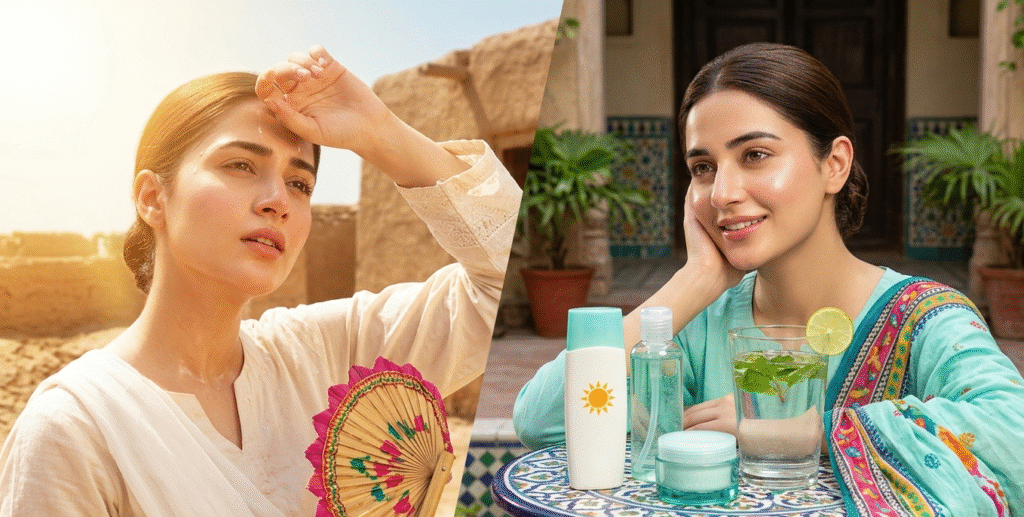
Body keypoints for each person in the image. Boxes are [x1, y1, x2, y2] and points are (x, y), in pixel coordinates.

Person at [0, 46, 520, 516]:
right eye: (241, 165)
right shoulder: (77, 429)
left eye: (300, 182)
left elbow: (500, 280)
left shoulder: (327, 356)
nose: (278, 200)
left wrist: (377, 130)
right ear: (152, 198)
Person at [512, 42, 1024, 516]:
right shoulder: (700, 329)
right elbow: (543, 421)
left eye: (755, 155)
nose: (722, 193)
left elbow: (1013, 436)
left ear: (835, 165)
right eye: (704, 167)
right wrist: (695, 281)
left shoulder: (924, 319)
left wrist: (801, 431)